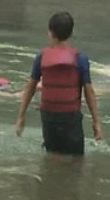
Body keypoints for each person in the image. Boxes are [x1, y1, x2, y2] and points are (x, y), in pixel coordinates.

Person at [14, 11, 103, 156]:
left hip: (48, 116)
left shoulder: (41, 56)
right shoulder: (80, 58)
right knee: (75, 159)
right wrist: (96, 122)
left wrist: (21, 116)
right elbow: (88, 91)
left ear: (50, 32)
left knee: (52, 155)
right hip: (71, 116)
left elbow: (30, 87)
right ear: (71, 32)